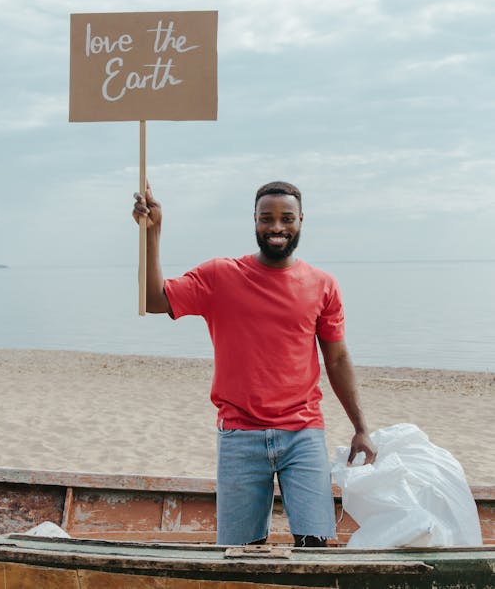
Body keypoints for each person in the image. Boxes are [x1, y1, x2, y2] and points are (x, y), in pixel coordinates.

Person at [133, 180, 376, 547]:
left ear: (300, 220)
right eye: (267, 218)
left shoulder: (322, 285)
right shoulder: (220, 276)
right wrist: (153, 234)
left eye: (286, 218)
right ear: (255, 221)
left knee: (315, 544)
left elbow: (337, 358)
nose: (277, 227)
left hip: (303, 432)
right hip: (239, 433)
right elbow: (154, 300)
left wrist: (361, 427)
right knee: (239, 552)